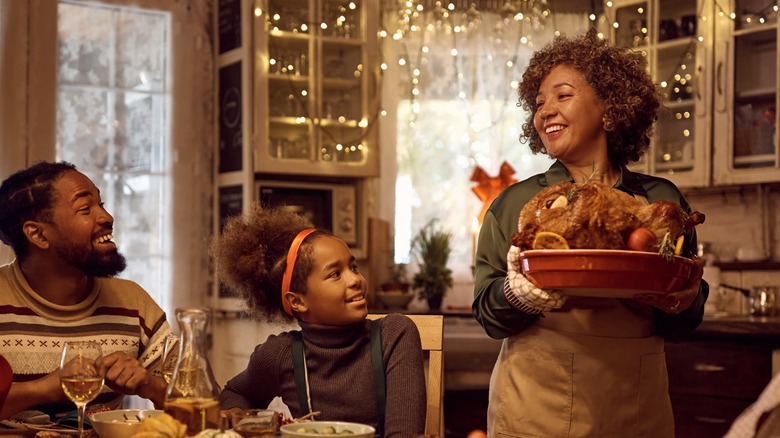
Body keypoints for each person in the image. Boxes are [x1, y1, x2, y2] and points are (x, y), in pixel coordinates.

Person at [472, 28, 709, 437]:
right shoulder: (515, 205)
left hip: (635, 397)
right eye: (539, 102)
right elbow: (489, 316)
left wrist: (685, 299)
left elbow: (684, 315)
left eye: (563, 96)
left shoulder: (659, 203)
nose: (545, 110)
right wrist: (517, 295)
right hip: (536, 400)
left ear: (610, 108)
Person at [212, 204, 426, 437]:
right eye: (335, 274)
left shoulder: (394, 335)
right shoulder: (281, 355)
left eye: (353, 267)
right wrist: (245, 420)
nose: (356, 279)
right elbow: (234, 393)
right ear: (298, 301)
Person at [0, 161, 172, 421]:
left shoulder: (133, 303)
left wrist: (151, 385)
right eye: (85, 209)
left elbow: (204, 400)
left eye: (100, 205)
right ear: (38, 235)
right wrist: (43, 389)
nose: (107, 218)